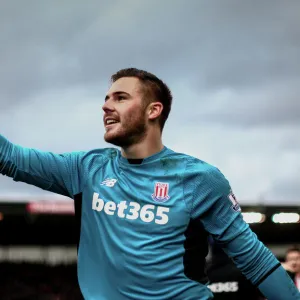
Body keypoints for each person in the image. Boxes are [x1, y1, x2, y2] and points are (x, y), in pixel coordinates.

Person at [0, 68, 299, 300]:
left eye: (120, 98)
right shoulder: (85, 168)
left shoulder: (200, 179)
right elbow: (10, 157)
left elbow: (255, 261)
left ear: (153, 111)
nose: (106, 106)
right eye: (105, 99)